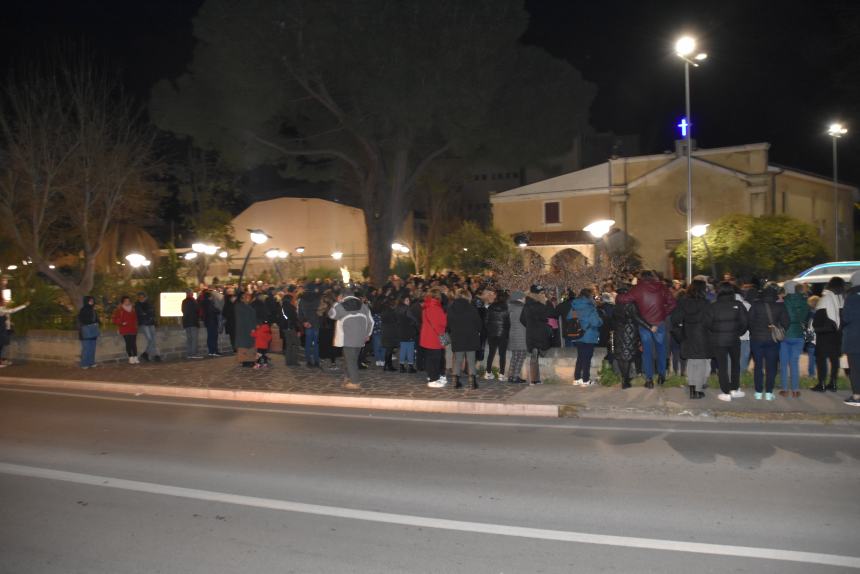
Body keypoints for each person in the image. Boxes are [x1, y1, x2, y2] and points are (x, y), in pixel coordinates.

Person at [616, 270, 677, 388]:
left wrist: (618, 295)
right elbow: (673, 303)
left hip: (645, 324)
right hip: (659, 323)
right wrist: (663, 314)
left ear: (641, 278)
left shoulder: (638, 288)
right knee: (661, 350)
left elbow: (623, 299)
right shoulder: (662, 287)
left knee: (647, 352)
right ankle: (661, 376)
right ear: (653, 277)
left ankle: (649, 379)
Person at [703, 282, 749, 402]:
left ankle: (726, 392)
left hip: (718, 340)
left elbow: (707, 323)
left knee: (722, 366)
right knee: (735, 364)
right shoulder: (738, 305)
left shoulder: (713, 306)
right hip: (734, 339)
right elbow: (745, 322)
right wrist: (738, 333)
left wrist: (715, 332)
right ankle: (735, 388)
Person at [747, 283, 790, 401]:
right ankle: (769, 392)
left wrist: (754, 331)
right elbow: (787, 322)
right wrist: (778, 329)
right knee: (771, 367)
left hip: (757, 339)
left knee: (758, 366)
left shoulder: (756, 305)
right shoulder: (780, 306)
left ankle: (758, 392)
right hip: (773, 340)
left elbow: (749, 320)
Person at [670, 279, 711, 399]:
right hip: (702, 334)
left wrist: (683, 325)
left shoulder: (683, 302)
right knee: (701, 362)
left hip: (688, 333)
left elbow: (675, 319)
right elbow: (710, 320)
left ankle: (692, 389)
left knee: (692, 362)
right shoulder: (706, 303)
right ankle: (697, 390)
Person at [328, 288, 374, 389]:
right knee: (351, 359)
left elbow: (331, 315)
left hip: (347, 338)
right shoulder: (363, 306)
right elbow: (371, 321)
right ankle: (348, 377)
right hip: (361, 337)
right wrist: (368, 334)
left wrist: (336, 303)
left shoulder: (341, 306)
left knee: (350, 360)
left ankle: (355, 382)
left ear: (342, 296)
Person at [811, 276, 845, 392]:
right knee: (834, 360)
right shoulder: (840, 299)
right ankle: (833, 383)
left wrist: (814, 327)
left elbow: (819, 319)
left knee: (821, 360)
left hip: (825, 335)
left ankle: (822, 384)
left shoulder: (825, 298)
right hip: (837, 335)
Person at [612, 285, 647, 389]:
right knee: (627, 357)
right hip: (630, 333)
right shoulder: (631, 304)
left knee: (621, 357)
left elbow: (613, 320)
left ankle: (624, 378)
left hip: (619, 332)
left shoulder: (616, 306)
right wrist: (649, 326)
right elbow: (637, 318)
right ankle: (625, 380)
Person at [446, 288, 483, 389]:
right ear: (468, 296)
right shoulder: (472, 308)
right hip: (471, 337)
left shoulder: (451, 308)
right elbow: (479, 324)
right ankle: (472, 383)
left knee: (458, 360)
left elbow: (448, 324)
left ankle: (455, 382)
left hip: (457, 337)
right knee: (471, 360)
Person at [779, 281, 808, 398]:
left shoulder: (784, 301)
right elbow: (805, 317)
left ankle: (785, 390)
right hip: (799, 335)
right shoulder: (804, 301)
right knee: (794, 363)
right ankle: (795, 390)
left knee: (784, 364)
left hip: (785, 335)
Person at [569, 288, 603, 386]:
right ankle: (586, 380)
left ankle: (577, 378)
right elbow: (596, 322)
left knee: (580, 357)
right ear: (589, 296)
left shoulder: (574, 306)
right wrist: (601, 321)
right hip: (588, 336)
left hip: (576, 335)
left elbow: (570, 318)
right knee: (587, 358)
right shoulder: (590, 307)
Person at [520, 285, 552, 385]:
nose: (543, 295)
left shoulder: (526, 304)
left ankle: (535, 379)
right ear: (537, 294)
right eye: (541, 293)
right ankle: (534, 380)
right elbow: (550, 313)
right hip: (540, 333)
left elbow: (522, 319)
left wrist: (530, 325)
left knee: (534, 355)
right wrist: (548, 302)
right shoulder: (541, 305)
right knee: (536, 355)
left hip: (531, 333)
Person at [421, 288, 448, 387]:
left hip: (428, 336)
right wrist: (445, 316)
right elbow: (443, 323)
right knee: (435, 359)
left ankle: (431, 376)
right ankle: (433, 380)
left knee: (430, 358)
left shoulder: (426, 306)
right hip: (435, 337)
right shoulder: (436, 307)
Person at [841, 271, 860, 406]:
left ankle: (857, 396)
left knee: (855, 368)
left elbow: (846, 318)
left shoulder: (851, 297)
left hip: (854, 339)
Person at [483, 290, 510, 380]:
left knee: (491, 353)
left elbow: (486, 321)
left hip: (492, 334)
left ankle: (488, 372)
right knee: (502, 354)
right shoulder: (506, 308)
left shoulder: (490, 307)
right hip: (503, 334)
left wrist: (490, 330)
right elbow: (508, 322)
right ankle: (501, 374)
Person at [0, 294, 28, 367]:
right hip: (1, 329)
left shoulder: (3, 308)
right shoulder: (1, 309)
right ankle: (1, 361)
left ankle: (2, 361)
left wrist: (10, 324)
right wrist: (24, 305)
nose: (5, 301)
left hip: (3, 329)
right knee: (1, 344)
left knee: (2, 345)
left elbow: (6, 317)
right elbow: (12, 310)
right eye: (3, 300)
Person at [507, 290, 528, 384]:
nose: (525, 299)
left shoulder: (509, 307)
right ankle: (515, 377)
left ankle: (510, 376)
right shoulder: (522, 308)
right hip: (522, 333)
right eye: (524, 297)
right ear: (519, 298)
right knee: (521, 355)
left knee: (514, 356)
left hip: (512, 333)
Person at [299, 284, 322, 368]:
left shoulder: (302, 299)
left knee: (308, 343)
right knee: (316, 343)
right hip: (316, 323)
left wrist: (305, 322)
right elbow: (319, 312)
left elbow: (300, 313)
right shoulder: (318, 299)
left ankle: (308, 361)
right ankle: (316, 361)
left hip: (307, 324)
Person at [111, 295, 139, 364]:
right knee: (128, 343)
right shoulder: (119, 310)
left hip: (133, 329)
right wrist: (121, 323)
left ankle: (135, 357)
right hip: (125, 329)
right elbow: (114, 320)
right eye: (126, 301)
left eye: (129, 301)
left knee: (133, 343)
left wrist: (136, 325)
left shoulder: (133, 309)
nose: (127, 302)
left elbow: (136, 318)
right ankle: (130, 357)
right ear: (123, 302)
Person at [134, 292, 160, 362]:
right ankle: (156, 355)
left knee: (153, 339)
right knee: (150, 339)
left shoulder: (149, 303)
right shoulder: (137, 305)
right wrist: (147, 313)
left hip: (151, 323)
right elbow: (141, 313)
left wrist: (147, 314)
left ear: (146, 297)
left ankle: (146, 353)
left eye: (143, 297)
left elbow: (152, 312)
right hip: (144, 324)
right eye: (140, 297)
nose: (141, 298)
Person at [396, 295, 419, 373]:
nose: (408, 302)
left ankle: (401, 366)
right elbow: (414, 320)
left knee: (403, 349)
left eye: (408, 300)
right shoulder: (407, 309)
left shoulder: (398, 309)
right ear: (403, 301)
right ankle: (410, 366)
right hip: (409, 331)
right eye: (406, 300)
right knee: (410, 349)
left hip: (401, 331)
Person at [235, 291, 257, 367]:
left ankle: (249, 360)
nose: (248, 297)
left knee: (249, 344)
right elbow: (246, 318)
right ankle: (246, 361)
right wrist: (252, 328)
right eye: (246, 296)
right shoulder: (240, 306)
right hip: (245, 328)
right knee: (244, 344)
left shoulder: (244, 305)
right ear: (242, 298)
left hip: (247, 328)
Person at [77, 296, 99, 369]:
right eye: (90, 301)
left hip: (93, 330)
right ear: (86, 301)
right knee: (86, 347)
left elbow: (96, 319)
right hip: (86, 331)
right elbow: (83, 320)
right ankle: (84, 363)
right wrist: (92, 322)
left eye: (92, 301)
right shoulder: (83, 310)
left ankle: (91, 362)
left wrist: (97, 322)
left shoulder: (93, 310)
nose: (92, 302)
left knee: (92, 347)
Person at [280, 293, 302, 366]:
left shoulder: (282, 307)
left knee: (288, 345)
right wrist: (298, 329)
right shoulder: (291, 308)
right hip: (291, 327)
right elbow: (294, 319)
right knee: (296, 344)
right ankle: (294, 361)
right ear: (290, 300)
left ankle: (288, 361)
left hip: (285, 328)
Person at [200, 290, 223, 357]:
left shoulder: (204, 303)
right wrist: (218, 310)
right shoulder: (210, 303)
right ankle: (214, 351)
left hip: (207, 321)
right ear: (209, 296)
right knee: (214, 337)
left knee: (210, 337)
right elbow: (215, 310)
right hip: (212, 321)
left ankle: (211, 351)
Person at [181, 290, 202, 359]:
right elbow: (197, 310)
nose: (192, 294)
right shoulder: (193, 301)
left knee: (189, 339)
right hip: (193, 322)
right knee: (194, 339)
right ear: (190, 294)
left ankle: (189, 353)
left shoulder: (184, 301)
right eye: (192, 293)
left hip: (186, 322)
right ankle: (194, 353)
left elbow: (183, 310)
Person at [223, 287, 238, 352]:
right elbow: (225, 312)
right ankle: (235, 348)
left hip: (233, 322)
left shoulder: (228, 301)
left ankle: (236, 348)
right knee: (233, 336)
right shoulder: (227, 301)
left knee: (234, 336)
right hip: (232, 322)